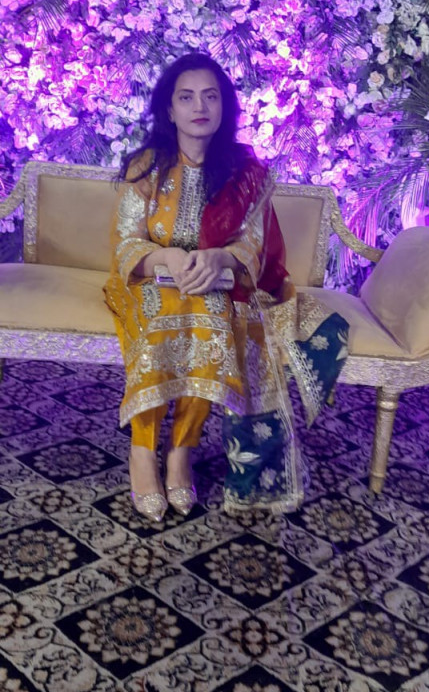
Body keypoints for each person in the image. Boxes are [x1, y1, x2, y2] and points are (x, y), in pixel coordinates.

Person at [104, 52, 348, 522]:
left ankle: (181, 450)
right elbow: (125, 243)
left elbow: (252, 245)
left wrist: (219, 257)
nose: (199, 107)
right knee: (166, 314)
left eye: (210, 97)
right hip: (147, 280)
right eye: (186, 97)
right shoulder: (146, 167)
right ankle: (142, 450)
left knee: (212, 317)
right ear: (169, 108)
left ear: (224, 107)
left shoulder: (244, 174)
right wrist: (167, 257)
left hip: (217, 283)